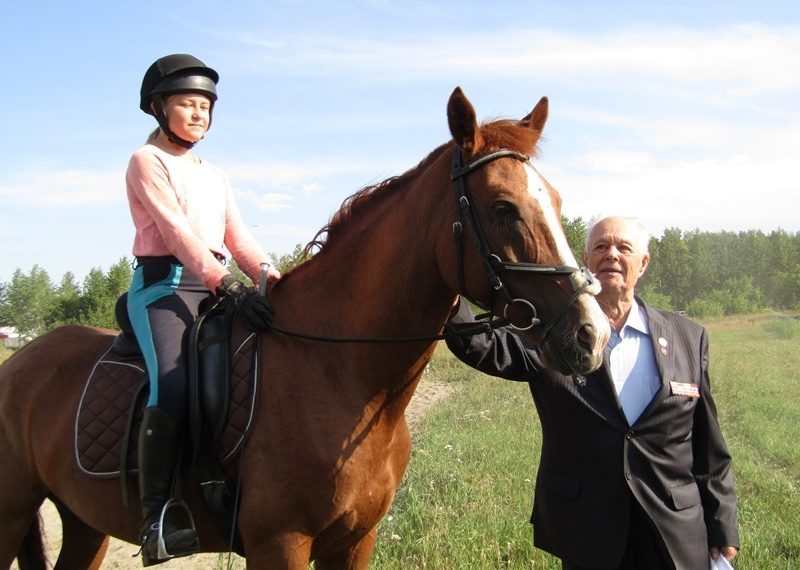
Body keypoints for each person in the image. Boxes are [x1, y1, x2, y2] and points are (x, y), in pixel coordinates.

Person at [446, 216, 739, 570]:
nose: (611, 255)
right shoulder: (553, 333)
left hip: (675, 530)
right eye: (600, 247)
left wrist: (722, 524)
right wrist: (446, 285)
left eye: (623, 247)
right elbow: (481, 344)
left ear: (643, 264)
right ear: (585, 261)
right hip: (590, 531)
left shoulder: (688, 337)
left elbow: (709, 445)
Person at [125, 53, 280, 566]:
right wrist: (225, 282)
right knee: (171, 384)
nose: (198, 115)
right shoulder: (147, 162)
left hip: (216, 288)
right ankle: (156, 519)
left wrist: (271, 278)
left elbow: (239, 238)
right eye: (187, 105)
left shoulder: (215, 175)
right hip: (164, 288)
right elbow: (176, 232)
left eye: (205, 107)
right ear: (158, 109)